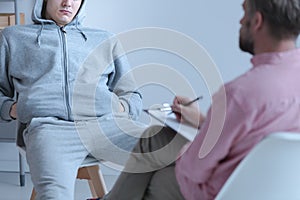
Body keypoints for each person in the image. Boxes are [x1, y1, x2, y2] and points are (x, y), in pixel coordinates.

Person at [96, 0, 300, 199]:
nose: (240, 21)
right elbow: (257, 130)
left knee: (156, 180)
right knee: (156, 137)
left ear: (257, 21)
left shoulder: (239, 94)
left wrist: (186, 152)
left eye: (244, 13)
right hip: (279, 185)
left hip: (229, 189)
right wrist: (204, 122)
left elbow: (194, 170)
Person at [0, 0, 147, 199]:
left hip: (106, 126)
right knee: (54, 196)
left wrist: (117, 107)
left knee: (173, 154)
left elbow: (133, 96)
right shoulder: (14, 38)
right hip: (50, 131)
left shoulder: (105, 40)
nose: (68, 3)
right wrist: (14, 109)